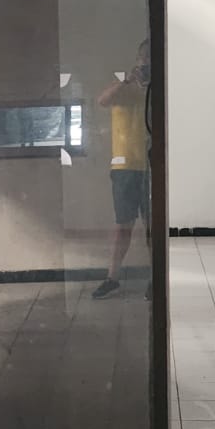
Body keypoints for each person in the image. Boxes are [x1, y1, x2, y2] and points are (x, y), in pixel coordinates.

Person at [92, 38, 150, 299]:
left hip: (150, 167)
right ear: (137, 59)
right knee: (123, 227)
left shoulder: (156, 91)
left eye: (151, 57)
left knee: (152, 226)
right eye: (143, 57)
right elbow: (102, 100)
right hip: (124, 167)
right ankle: (112, 277)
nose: (146, 62)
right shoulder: (123, 88)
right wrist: (128, 80)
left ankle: (155, 279)